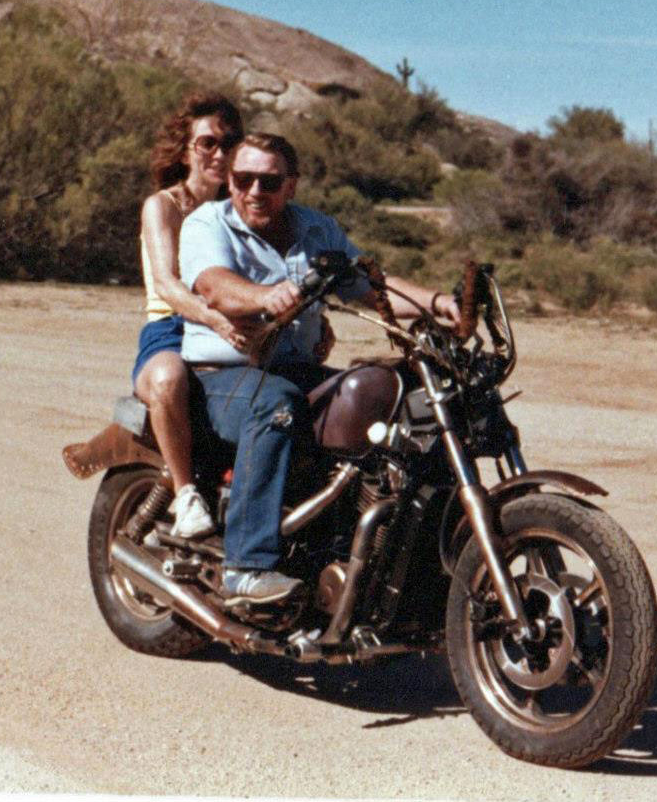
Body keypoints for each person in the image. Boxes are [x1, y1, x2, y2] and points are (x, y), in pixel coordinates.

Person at [179, 132, 461, 604]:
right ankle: (246, 567)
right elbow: (214, 286)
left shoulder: (317, 230)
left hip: (295, 367)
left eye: (268, 181)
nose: (254, 192)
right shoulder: (208, 223)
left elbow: (368, 286)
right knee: (276, 406)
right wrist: (264, 295)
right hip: (219, 375)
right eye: (242, 179)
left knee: (390, 401)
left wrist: (438, 303)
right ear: (229, 180)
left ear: (291, 185)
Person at [128, 92, 247, 542]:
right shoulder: (164, 205)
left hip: (230, 328)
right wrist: (214, 319)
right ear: (185, 149)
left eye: (229, 142)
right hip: (172, 328)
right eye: (208, 143)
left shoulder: (239, 211)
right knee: (168, 380)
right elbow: (167, 284)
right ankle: (185, 495)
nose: (220, 153)